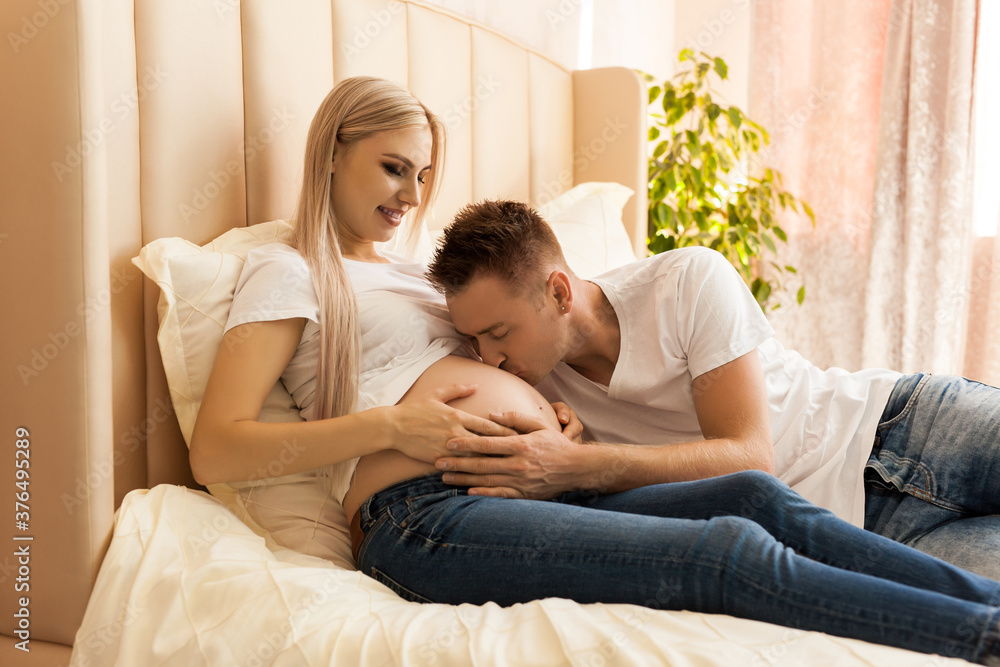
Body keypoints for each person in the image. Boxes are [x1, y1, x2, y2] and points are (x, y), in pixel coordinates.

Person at [191, 77, 1000, 665]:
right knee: (722, 554)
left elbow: (492, 362)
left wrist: (554, 417)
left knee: (757, 496)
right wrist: (394, 426)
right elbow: (217, 449)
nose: (411, 192)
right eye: (393, 166)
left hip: (541, 485)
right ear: (333, 153)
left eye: (424, 174)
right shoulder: (287, 269)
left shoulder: (418, 276)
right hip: (423, 515)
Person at [426, 199, 1000, 582]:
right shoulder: (528, 388)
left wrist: (577, 464)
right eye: (474, 339)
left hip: (900, 427)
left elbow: (750, 457)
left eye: (498, 333)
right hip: (864, 530)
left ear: (558, 292)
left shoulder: (685, 282)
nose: (489, 357)